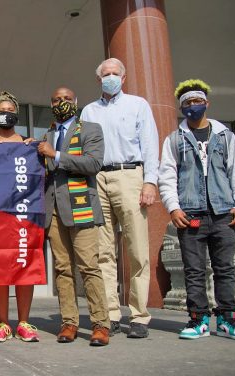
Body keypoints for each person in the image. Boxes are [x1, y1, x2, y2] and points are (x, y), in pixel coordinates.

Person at [80, 57, 159, 339]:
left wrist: (150, 181)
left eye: (115, 73)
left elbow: (150, 144)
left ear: (123, 78)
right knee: (103, 251)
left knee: (137, 249)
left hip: (130, 176)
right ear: (98, 79)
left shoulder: (138, 105)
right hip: (97, 178)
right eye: (105, 74)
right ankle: (110, 314)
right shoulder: (88, 111)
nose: (110, 78)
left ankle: (139, 315)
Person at [158, 79, 235, 340]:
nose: (193, 106)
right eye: (187, 103)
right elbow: (167, 176)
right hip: (190, 214)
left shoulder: (225, 136)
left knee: (225, 268)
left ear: (206, 103)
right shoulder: (174, 140)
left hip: (223, 212)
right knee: (193, 269)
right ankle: (198, 320)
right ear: (181, 108)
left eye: (197, 101)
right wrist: (173, 207)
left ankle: (228, 319)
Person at [37, 87, 110, 346]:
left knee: (89, 267)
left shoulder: (91, 129)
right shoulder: (45, 135)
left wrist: (55, 154)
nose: (62, 102)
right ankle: (69, 322)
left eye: (67, 99)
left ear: (76, 102)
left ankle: (101, 324)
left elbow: (93, 164)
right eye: (57, 99)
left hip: (82, 207)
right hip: (54, 210)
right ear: (51, 103)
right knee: (62, 269)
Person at [0, 91, 39, 343]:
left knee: (23, 263)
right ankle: (3, 323)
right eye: (0, 111)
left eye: (9, 110)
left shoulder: (28, 145)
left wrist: (35, 150)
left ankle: (24, 322)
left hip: (23, 214)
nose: (5, 114)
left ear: (15, 114)